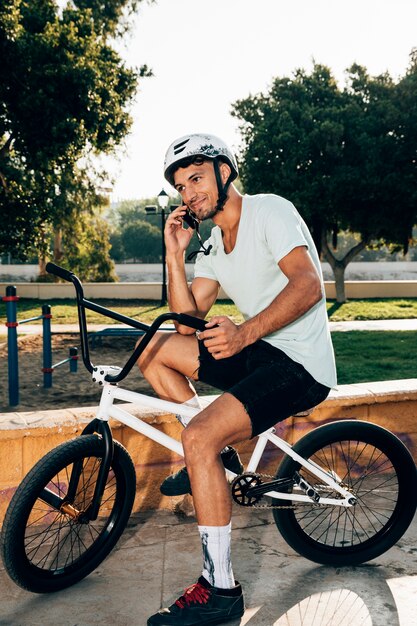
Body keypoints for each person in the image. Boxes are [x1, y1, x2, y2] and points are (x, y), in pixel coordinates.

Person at [141, 133, 337, 626]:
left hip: (300, 365)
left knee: (197, 436)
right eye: (182, 186)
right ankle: (219, 459)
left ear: (225, 172)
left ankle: (220, 590)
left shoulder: (270, 210)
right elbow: (186, 321)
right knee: (155, 350)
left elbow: (310, 284)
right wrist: (174, 253)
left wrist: (246, 331)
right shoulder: (210, 246)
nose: (189, 194)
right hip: (259, 352)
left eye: (197, 178)